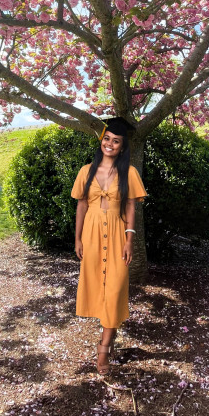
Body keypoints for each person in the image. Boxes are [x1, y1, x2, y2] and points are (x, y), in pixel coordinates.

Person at [71, 117, 147, 375]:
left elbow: (130, 207)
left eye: (116, 141)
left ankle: (103, 347)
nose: (110, 144)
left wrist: (129, 241)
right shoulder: (86, 171)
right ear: (101, 140)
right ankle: (109, 340)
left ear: (122, 146)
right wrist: (77, 238)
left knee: (114, 289)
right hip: (91, 235)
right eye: (107, 139)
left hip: (116, 233)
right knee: (98, 288)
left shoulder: (129, 173)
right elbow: (81, 205)